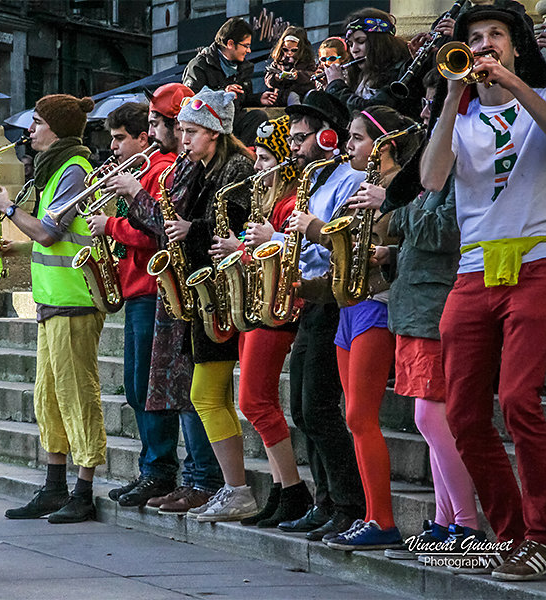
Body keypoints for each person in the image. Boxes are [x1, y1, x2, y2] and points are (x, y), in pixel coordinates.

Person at [420, 1, 546, 581]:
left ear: (515, 44)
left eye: (496, 34)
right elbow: (429, 179)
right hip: (473, 274)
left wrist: (514, 83)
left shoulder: (537, 102)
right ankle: (514, 534)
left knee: (519, 399)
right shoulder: (462, 116)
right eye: (475, 37)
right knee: (465, 415)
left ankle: (545, 535)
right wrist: (452, 96)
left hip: (537, 264)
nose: (485, 44)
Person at [295, 105, 422, 551]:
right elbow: (347, 255)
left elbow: (383, 245)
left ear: (383, 145)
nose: (348, 146)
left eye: (357, 138)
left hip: (377, 304)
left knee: (358, 415)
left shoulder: (398, 189)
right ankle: (371, 515)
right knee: (354, 418)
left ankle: (382, 519)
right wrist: (305, 287)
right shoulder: (364, 186)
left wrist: (317, 230)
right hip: (350, 305)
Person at [371, 69, 481, 561]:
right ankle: (444, 521)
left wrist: (394, 209)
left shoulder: (460, 164)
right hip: (417, 304)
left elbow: (443, 232)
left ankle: (468, 524)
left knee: (433, 419)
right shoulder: (437, 161)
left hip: (436, 305)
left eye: (437, 106)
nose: (428, 115)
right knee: (427, 419)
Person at [0, 94, 107, 524]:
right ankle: (54, 488)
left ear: (56, 128)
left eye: (35, 122)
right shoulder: (56, 168)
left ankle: (84, 491)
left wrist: (8, 208)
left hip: (74, 300)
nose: (29, 130)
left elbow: (52, 233)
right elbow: (52, 234)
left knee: (77, 397)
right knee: (48, 400)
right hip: (53, 301)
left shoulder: (73, 170)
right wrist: (16, 245)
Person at [112, 83, 225, 514]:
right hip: (158, 288)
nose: (170, 133)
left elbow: (160, 223)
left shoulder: (186, 168)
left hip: (179, 285)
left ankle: (193, 475)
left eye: (171, 124)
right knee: (153, 387)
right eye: (167, 124)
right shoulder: (181, 165)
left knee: (185, 390)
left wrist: (127, 205)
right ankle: (170, 472)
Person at [262, 91, 366, 541]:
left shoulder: (346, 180)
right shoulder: (314, 182)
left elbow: (347, 243)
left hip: (332, 301)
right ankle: (325, 503)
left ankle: (348, 503)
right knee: (303, 411)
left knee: (319, 408)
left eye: (303, 137)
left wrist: (309, 231)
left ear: (328, 136)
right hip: (308, 300)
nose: (296, 147)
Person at [159, 87, 257, 523]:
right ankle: (232, 487)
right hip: (205, 293)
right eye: (181, 129)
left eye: (192, 131)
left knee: (207, 394)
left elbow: (228, 226)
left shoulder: (236, 171)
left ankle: (236, 488)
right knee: (207, 395)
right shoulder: (201, 167)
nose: (184, 139)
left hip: (222, 292)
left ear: (216, 133)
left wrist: (190, 230)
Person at [210, 116, 313, 528]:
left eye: (267, 158)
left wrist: (243, 247)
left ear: (286, 162)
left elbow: (288, 256)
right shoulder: (268, 198)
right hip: (257, 303)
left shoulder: (291, 202)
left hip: (278, 305)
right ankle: (281, 489)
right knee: (256, 402)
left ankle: (293, 490)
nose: (258, 166)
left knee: (254, 401)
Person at [84, 101, 178, 507]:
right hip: (133, 287)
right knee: (137, 388)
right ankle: (149, 468)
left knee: (149, 388)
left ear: (144, 137)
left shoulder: (162, 170)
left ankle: (160, 470)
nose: (114, 146)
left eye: (121, 138)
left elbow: (156, 230)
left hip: (153, 287)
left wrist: (111, 225)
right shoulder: (139, 170)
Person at [323, 8, 423, 119]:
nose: (354, 50)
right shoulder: (359, 74)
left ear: (379, 43)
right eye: (350, 44)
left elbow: (371, 112)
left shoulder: (401, 71)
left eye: (360, 41)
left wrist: (336, 86)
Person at [183, 17, 257, 106]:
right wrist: (222, 94)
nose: (249, 50)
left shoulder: (245, 67)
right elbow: (189, 103)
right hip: (209, 118)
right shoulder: (198, 66)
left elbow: (245, 100)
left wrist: (259, 99)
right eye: (246, 46)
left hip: (234, 118)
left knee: (258, 115)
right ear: (230, 44)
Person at [262, 27, 317, 107]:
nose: (289, 53)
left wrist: (298, 75)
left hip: (301, 94)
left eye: (294, 50)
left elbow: (312, 76)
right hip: (281, 96)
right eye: (285, 49)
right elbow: (268, 78)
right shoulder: (278, 61)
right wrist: (276, 78)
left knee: (293, 96)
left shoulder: (307, 61)